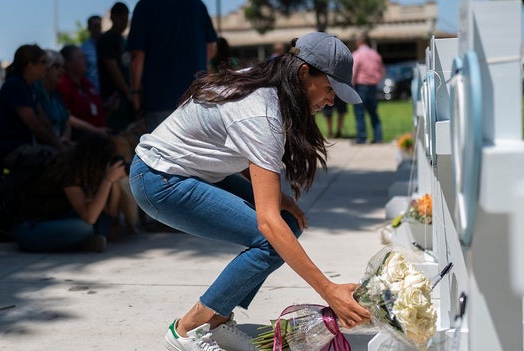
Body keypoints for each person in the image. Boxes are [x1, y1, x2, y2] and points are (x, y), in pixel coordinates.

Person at [129, 32, 367, 351]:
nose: (331, 101)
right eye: (329, 89)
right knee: (271, 237)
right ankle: (186, 329)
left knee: (287, 224)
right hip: (159, 179)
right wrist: (328, 290)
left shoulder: (267, 86)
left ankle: (217, 319)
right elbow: (267, 223)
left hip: (189, 170)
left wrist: (278, 197)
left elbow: (230, 145)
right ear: (304, 73)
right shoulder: (263, 111)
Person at [12, 134, 127, 252]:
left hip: (60, 218)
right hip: (31, 228)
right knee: (84, 228)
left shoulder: (89, 175)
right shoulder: (68, 170)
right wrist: (107, 181)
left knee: (101, 219)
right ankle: (84, 242)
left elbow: (111, 217)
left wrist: (115, 182)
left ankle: (85, 241)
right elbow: (90, 217)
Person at [126, 0, 217, 132]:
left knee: (162, 149)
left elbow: (137, 56)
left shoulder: (144, 6)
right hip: (197, 98)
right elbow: (211, 49)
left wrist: (135, 93)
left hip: (159, 99)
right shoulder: (198, 5)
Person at [0, 44, 63, 169]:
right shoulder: (16, 85)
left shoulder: (27, 86)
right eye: (43, 62)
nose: (46, 67)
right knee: (58, 159)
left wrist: (58, 142)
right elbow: (34, 124)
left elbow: (43, 119)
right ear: (29, 65)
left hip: (18, 146)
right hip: (6, 149)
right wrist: (57, 146)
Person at [58, 44, 111, 141]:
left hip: (101, 135)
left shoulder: (87, 83)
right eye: (80, 58)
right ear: (68, 63)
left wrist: (108, 107)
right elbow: (67, 117)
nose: (85, 61)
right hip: (83, 141)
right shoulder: (63, 85)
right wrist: (96, 131)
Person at [97, 2, 133, 131]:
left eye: (126, 18)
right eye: (121, 18)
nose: (124, 22)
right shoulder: (106, 39)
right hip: (113, 96)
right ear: (113, 17)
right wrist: (127, 91)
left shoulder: (124, 40)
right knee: (117, 132)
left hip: (126, 95)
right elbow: (112, 67)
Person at [352, 32, 385, 144]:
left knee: (359, 112)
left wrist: (351, 84)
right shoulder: (375, 54)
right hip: (373, 86)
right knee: (373, 112)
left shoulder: (357, 54)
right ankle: (378, 136)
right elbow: (382, 71)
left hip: (361, 86)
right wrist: (376, 80)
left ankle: (361, 137)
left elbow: (353, 71)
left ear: (360, 42)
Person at [81, 15, 102, 92]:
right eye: (95, 26)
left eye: (99, 26)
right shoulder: (84, 49)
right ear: (89, 29)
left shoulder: (107, 45)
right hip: (92, 91)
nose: (98, 29)